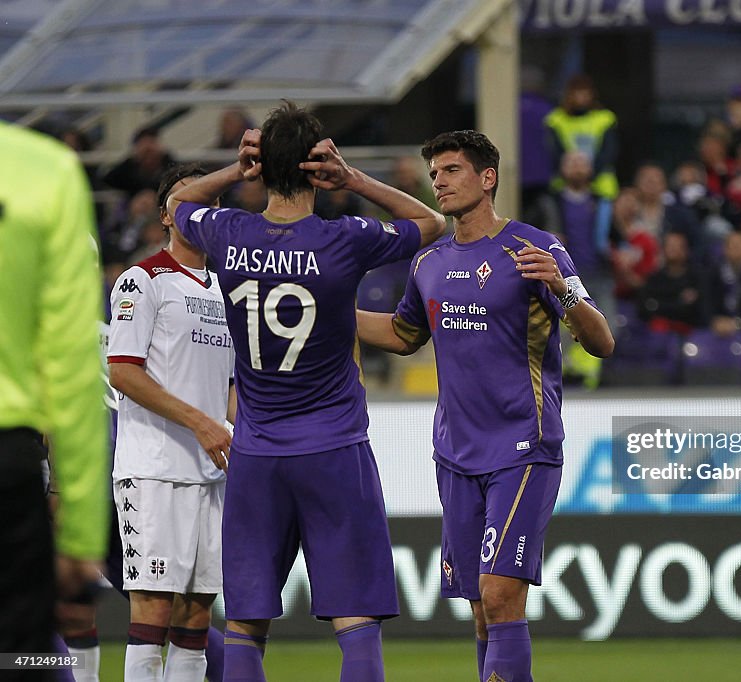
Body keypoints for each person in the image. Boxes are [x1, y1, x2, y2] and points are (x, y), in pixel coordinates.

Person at [167, 100, 445, 682]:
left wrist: (234, 169)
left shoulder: (228, 232)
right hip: (334, 449)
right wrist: (355, 179)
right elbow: (431, 223)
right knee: (355, 620)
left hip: (256, 454)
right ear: (320, 168)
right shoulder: (344, 239)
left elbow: (177, 204)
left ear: (263, 168)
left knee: (245, 624)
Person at [355, 130, 614, 682]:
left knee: (500, 595)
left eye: (451, 171)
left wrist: (564, 292)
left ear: (487, 177)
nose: (439, 183)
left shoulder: (534, 249)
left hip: (523, 445)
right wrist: (332, 311)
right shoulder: (428, 260)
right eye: (436, 174)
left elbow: (602, 341)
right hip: (455, 451)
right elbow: (404, 333)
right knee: (479, 607)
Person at [107, 163, 236, 682]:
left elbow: (229, 384)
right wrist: (200, 423)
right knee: (154, 610)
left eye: (209, 201)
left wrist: (236, 433)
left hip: (212, 472)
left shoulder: (226, 290)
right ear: (165, 214)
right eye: (186, 199)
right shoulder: (143, 279)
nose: (198, 208)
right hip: (154, 467)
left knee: (196, 615)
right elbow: (122, 371)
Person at [0, 122, 109, 671]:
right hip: (8, 459)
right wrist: (81, 531)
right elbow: (72, 363)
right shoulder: (44, 172)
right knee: (19, 656)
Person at [544, 74, 620, 201]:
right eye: (576, 93)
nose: (580, 98)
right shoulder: (556, 120)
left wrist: (588, 174)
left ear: (592, 95)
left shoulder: (604, 119)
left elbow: (610, 151)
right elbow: (554, 153)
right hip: (565, 189)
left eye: (585, 93)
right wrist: (574, 174)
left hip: (602, 188)